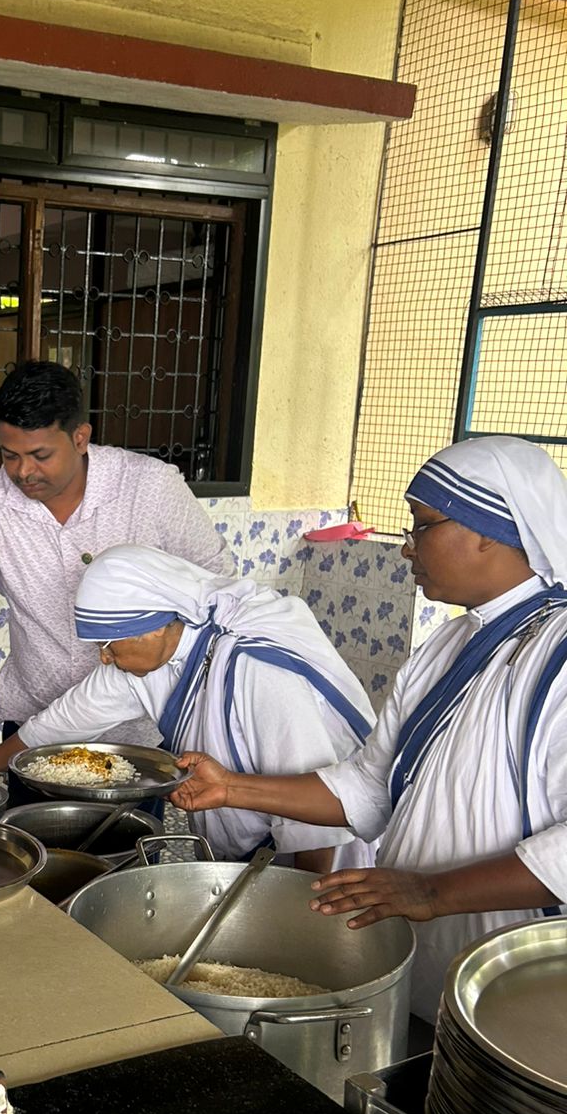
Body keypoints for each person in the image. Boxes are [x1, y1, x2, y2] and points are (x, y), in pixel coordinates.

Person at [173, 436, 567, 1021]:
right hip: (421, 952)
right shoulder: (448, 645)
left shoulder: (558, 657)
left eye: (422, 525)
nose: (407, 547)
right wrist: (233, 788)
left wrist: (434, 892)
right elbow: (367, 786)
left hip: (514, 978)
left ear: (489, 528)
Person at [0, 360, 233, 774]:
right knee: (31, 838)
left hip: (134, 733)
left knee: (129, 838)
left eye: (40, 455)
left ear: (80, 437)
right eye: (9, 455)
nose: (21, 472)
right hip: (32, 728)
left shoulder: (149, 486)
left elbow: (218, 585)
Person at [0, 544, 374, 871]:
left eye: (109, 644)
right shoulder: (154, 659)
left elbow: (317, 820)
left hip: (321, 864)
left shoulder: (255, 665)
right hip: (251, 847)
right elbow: (56, 723)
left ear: (154, 628)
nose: (103, 657)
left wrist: (305, 901)